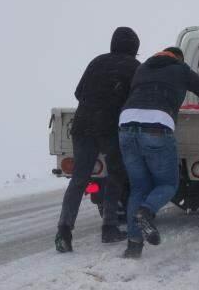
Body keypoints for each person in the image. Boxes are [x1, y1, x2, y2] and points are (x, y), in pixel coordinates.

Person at [118, 47, 199, 259]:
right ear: (178, 58)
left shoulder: (143, 68)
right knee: (168, 184)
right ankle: (146, 212)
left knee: (138, 187)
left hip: (126, 126)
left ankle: (133, 245)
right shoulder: (180, 69)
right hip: (156, 127)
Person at [55, 27, 141, 252]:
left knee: (79, 179)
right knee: (115, 175)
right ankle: (109, 228)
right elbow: (136, 99)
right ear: (134, 47)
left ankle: (63, 232)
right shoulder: (134, 67)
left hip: (83, 125)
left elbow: (78, 93)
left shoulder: (97, 62)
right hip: (110, 128)